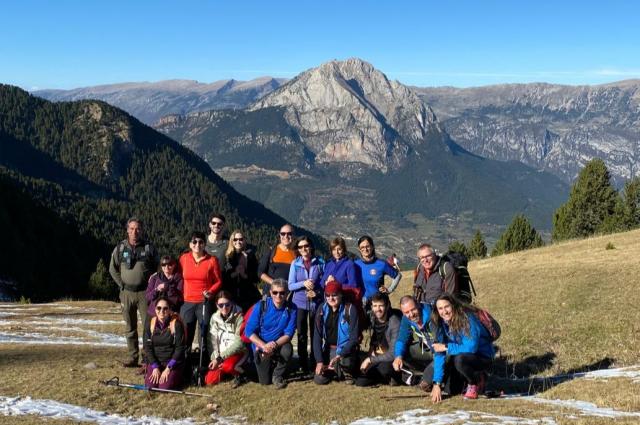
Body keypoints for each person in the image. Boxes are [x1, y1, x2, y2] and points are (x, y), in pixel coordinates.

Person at [425, 294, 495, 402]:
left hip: (482, 356)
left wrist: (446, 347)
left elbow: (471, 347)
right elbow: (439, 352)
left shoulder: (467, 318)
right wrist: (436, 383)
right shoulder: (440, 323)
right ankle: (472, 380)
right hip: (462, 355)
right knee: (451, 390)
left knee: (459, 360)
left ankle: (474, 382)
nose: (445, 311)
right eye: (440, 308)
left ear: (453, 305)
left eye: (447, 306)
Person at [109, 217, 158, 367]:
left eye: (137, 229)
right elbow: (112, 269)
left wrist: (152, 286)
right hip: (127, 294)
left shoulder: (149, 248)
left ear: (142, 230)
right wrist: (121, 285)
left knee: (147, 327)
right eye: (131, 228)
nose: (134, 232)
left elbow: (158, 269)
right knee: (129, 327)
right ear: (127, 230)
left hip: (144, 293)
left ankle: (146, 358)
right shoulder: (120, 248)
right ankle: (132, 357)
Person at [243, 279, 297, 389]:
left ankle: (277, 375)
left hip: (278, 344)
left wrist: (274, 345)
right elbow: (249, 332)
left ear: (287, 293)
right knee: (264, 382)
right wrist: (264, 346)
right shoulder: (261, 306)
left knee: (288, 349)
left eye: (282, 293)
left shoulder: (292, 308)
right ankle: (269, 364)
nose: (279, 296)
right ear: (271, 293)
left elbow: (289, 334)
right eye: (275, 292)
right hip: (261, 346)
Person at [179, 231, 222, 352]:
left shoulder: (212, 260)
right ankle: (185, 364)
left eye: (201, 242)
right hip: (187, 302)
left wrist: (210, 291)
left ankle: (203, 364)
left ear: (204, 244)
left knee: (204, 334)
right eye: (194, 241)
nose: (197, 244)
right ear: (190, 244)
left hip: (204, 302)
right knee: (186, 334)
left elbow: (218, 281)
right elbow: (176, 275)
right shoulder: (184, 259)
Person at [287, 236, 324, 374]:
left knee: (316, 333)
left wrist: (317, 291)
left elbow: (324, 282)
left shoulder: (320, 262)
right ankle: (303, 362)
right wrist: (303, 284)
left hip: (315, 303)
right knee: (302, 334)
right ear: (298, 249)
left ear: (311, 247)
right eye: (301, 247)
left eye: (306, 246)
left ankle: (315, 360)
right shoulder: (295, 264)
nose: (304, 249)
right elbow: (290, 285)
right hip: (299, 304)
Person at [312, 281, 359, 385]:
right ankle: (335, 371)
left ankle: (346, 372)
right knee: (319, 379)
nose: (331, 298)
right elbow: (317, 337)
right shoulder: (321, 309)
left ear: (341, 294)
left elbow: (354, 338)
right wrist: (319, 361)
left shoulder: (350, 309)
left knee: (344, 360)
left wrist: (340, 354)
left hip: (344, 349)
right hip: (329, 348)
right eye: (327, 295)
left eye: (334, 295)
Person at [356, 292, 402, 387]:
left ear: (388, 305)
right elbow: (374, 340)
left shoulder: (394, 322)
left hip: (393, 358)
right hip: (379, 354)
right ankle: (374, 375)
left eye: (381, 306)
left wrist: (370, 360)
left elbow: (393, 353)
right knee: (357, 364)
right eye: (375, 306)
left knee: (384, 368)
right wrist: (369, 355)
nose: (378, 309)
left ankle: (392, 377)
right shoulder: (373, 318)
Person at [143, 296, 187, 390]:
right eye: (159, 308)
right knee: (150, 386)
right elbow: (147, 347)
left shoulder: (176, 324)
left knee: (164, 387)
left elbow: (180, 348)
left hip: (172, 362)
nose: (161, 311)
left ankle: (179, 376)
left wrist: (168, 368)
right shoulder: (150, 324)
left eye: (165, 308)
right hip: (156, 361)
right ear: (155, 309)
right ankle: (153, 371)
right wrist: (154, 366)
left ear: (169, 310)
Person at [205, 291, 247, 388]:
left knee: (228, 366)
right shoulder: (214, 318)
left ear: (231, 303)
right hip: (220, 355)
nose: (224, 308)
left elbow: (239, 343)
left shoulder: (239, 317)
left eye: (227, 304)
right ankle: (226, 370)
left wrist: (220, 359)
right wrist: (214, 358)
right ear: (216, 305)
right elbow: (211, 340)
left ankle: (241, 374)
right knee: (210, 380)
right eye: (221, 305)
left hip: (237, 352)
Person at [393, 296, 434, 384]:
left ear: (418, 305)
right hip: (427, 350)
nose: (411, 314)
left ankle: (429, 375)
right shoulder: (406, 319)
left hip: (443, 352)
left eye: (413, 309)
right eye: (407, 312)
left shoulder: (432, 315)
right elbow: (402, 339)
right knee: (403, 352)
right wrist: (398, 357)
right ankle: (422, 374)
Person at [354, 235, 402, 308]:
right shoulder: (355, 264)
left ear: (372, 247)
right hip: (362, 305)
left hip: (379, 304)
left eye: (368, 246)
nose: (365, 249)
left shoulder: (381, 264)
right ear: (359, 249)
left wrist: (389, 289)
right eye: (362, 247)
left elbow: (397, 275)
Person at [223, 230, 260, 312]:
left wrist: (244, 274)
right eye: (235, 239)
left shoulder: (250, 256)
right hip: (231, 294)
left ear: (244, 240)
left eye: (240, 239)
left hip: (248, 296)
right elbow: (224, 277)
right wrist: (235, 273)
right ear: (231, 241)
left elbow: (256, 277)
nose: (238, 242)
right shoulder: (227, 256)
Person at [320, 237, 360, 306]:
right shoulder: (329, 264)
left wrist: (335, 284)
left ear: (344, 249)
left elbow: (353, 287)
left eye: (339, 249)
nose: (336, 252)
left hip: (343, 302)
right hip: (328, 302)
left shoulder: (349, 264)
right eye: (334, 249)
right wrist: (326, 282)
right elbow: (321, 283)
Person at [258, 224, 296, 293]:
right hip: (271, 293)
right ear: (280, 235)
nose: (286, 236)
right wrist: (274, 283)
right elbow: (260, 272)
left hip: (288, 295)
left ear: (293, 235)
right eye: (283, 234)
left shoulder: (297, 254)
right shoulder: (271, 251)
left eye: (289, 234)